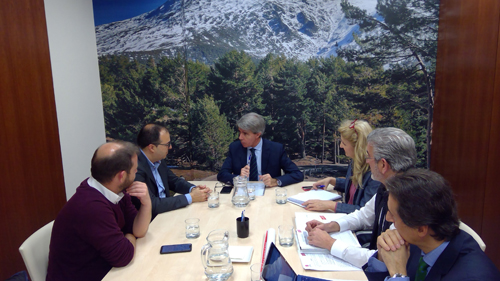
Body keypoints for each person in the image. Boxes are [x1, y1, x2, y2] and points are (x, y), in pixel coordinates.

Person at [305, 128, 416, 268]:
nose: (367, 161)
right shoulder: (388, 187)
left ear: (383, 165)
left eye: (368, 156)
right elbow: (363, 216)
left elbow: (384, 257)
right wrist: (331, 226)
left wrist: (330, 244)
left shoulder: (410, 202)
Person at [364, 169, 500, 280]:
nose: (388, 218)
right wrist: (382, 259)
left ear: (421, 229)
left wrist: (398, 276)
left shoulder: (473, 276)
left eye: (393, 214)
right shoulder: (419, 242)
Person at [47, 141, 152, 281]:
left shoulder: (115, 191)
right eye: (134, 170)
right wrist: (129, 235)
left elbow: (138, 230)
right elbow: (124, 256)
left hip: (107, 271)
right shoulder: (91, 207)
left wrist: (146, 204)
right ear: (121, 176)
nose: (136, 173)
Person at [302, 119, 380, 213]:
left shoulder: (375, 175)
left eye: (344, 143)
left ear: (358, 147)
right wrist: (332, 180)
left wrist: (331, 205)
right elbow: (354, 187)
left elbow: (365, 213)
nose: (340, 146)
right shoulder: (355, 162)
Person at [133, 124, 210, 219]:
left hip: (167, 213)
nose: (170, 147)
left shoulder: (158, 160)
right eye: (167, 144)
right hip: (151, 222)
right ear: (152, 147)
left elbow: (174, 181)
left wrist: (193, 189)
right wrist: (191, 197)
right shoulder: (135, 168)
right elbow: (152, 204)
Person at [217, 112, 303, 187]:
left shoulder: (276, 149)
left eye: (245, 133)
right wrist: (238, 178)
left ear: (257, 135)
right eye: (239, 132)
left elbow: (297, 174)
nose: (240, 137)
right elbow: (222, 174)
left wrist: (275, 181)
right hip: (243, 194)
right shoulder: (235, 148)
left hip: (268, 194)